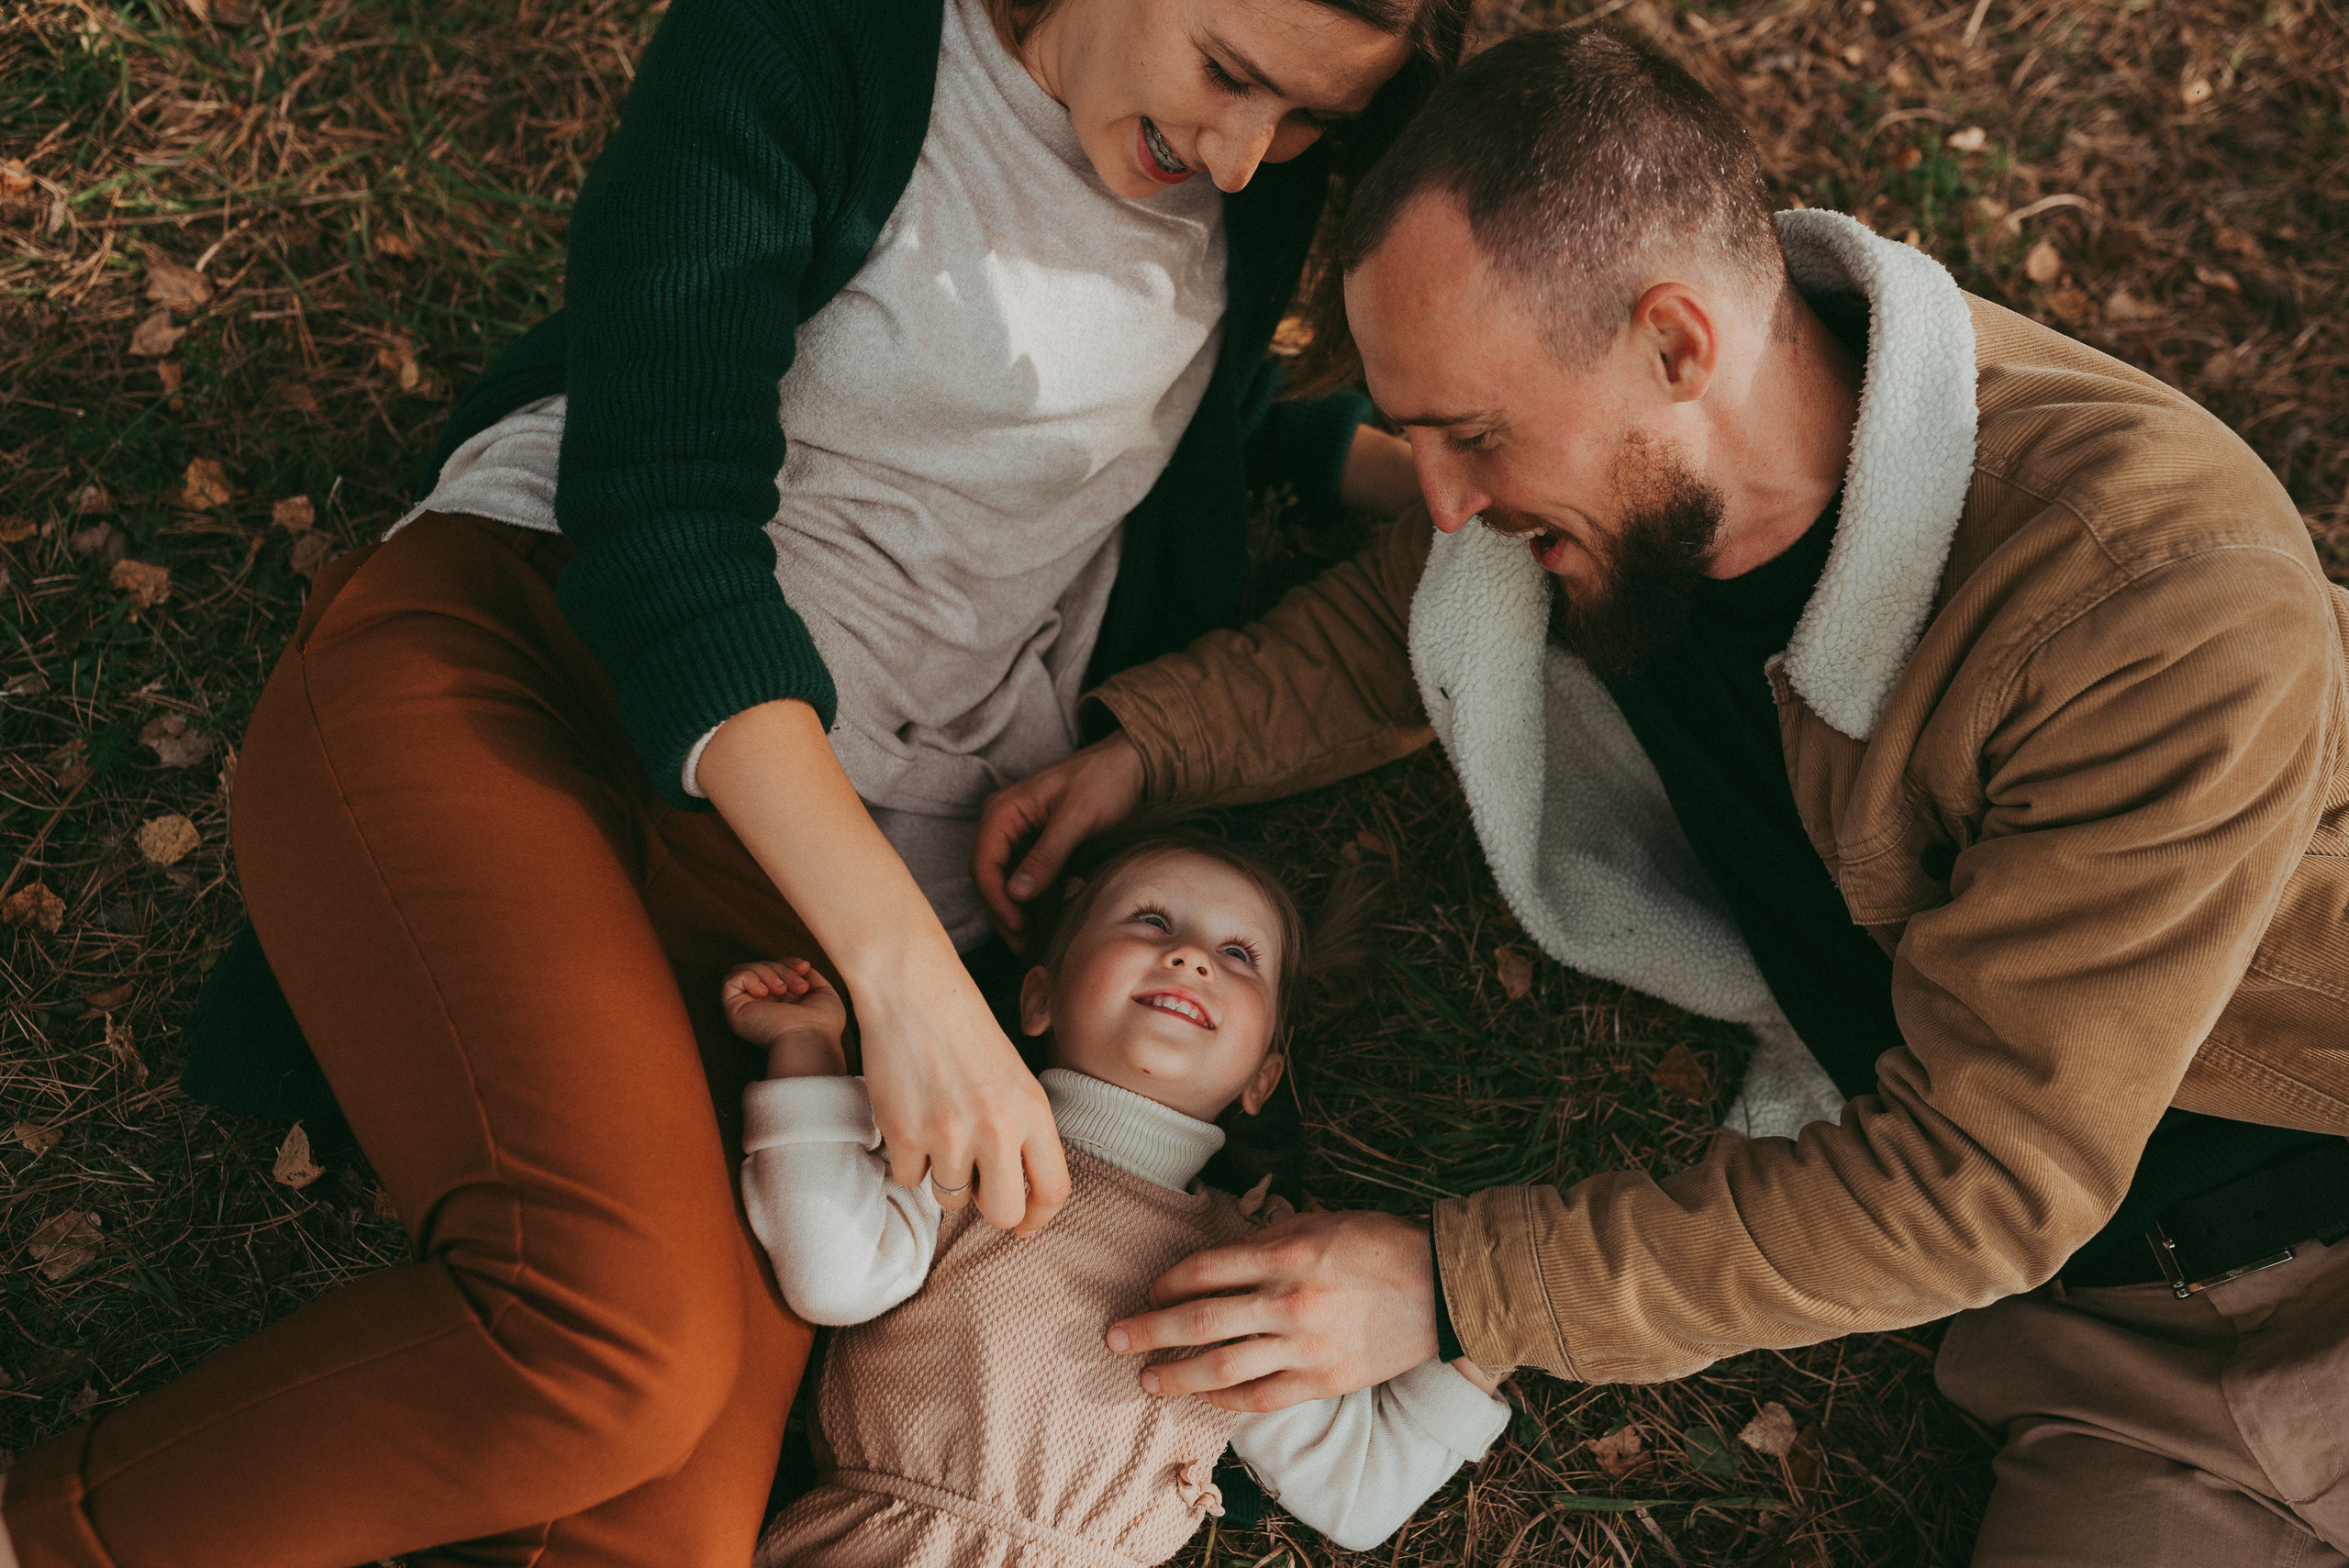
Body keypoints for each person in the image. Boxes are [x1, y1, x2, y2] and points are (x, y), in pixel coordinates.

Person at [0, 0, 1453, 1557]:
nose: (1243, 159)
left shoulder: (1237, 170)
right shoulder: (816, 46)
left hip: (783, 937)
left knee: (664, 1525)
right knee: (614, 1350)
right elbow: (664, 527)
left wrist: (1450, 468)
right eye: (1229, 75)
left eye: (1305, 121)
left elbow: (1186, 411)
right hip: (539, 683)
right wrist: (907, 975)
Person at [973, 28, 2349, 1565]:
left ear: (1678, 345)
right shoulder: (1644, 472)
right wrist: (1153, 746)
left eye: (1471, 436)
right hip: (2112, 1369)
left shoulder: (2143, 590)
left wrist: (1451, 1284)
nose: (1442, 503)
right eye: (1416, 437)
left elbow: (1979, 1180)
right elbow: (1413, 616)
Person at [725, 830, 1506, 1563]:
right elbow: (830, 1268)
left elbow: (1358, 1490)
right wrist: (808, 1048)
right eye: (1152, 919)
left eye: (1239, 954)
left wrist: (1481, 1334)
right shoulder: (965, 1146)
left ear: (1260, 1078)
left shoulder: (1256, 1268)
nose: (1192, 955)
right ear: (1041, 999)